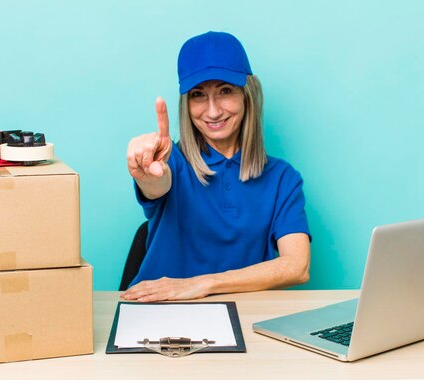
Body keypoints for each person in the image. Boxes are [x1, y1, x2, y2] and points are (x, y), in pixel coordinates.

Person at [122, 31, 311, 302]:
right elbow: (156, 184)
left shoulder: (283, 179)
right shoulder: (168, 161)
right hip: (158, 311)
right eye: (198, 95)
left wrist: (202, 284)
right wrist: (146, 173)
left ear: (248, 95)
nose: (212, 112)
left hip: (244, 317)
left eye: (225, 91)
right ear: (186, 105)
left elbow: (297, 266)